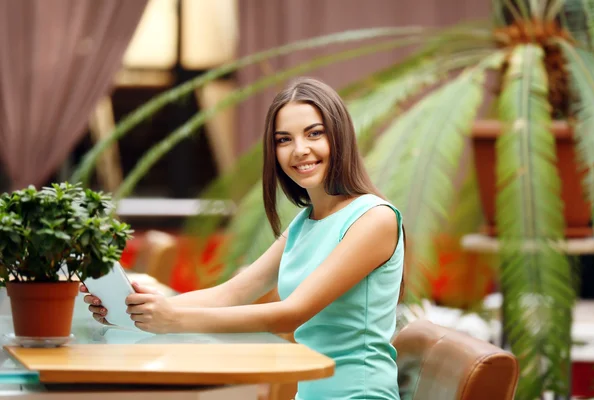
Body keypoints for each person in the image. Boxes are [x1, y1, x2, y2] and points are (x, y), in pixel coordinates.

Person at [81, 77, 405, 400]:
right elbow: (231, 294)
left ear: (340, 137)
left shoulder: (375, 218)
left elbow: (292, 312)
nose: (299, 150)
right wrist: (136, 306)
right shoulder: (306, 222)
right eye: (283, 139)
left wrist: (174, 318)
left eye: (314, 133)